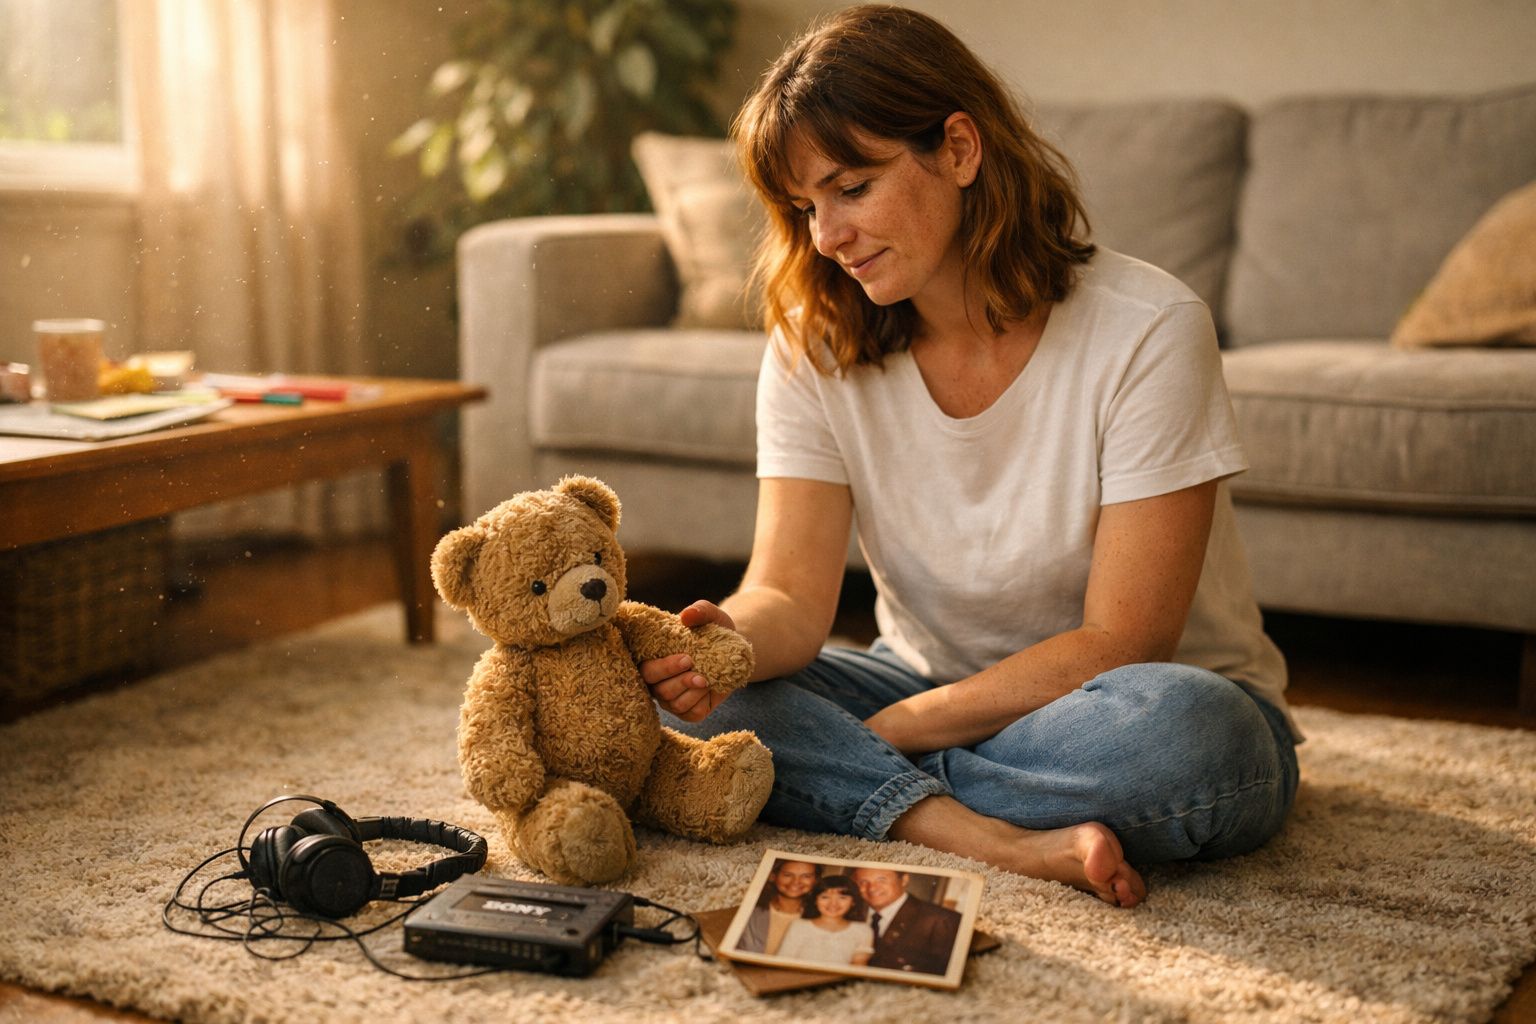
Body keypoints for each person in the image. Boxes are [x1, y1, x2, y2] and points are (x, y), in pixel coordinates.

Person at [640, 4, 1300, 909]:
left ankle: (856, 785)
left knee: (1193, 738)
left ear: (958, 148)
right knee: (668, 703)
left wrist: (888, 733)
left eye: (852, 187)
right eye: (805, 207)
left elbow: (1123, 641)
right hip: (924, 674)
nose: (826, 237)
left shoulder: (1149, 327)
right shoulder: (813, 339)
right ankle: (981, 835)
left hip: (1130, 702)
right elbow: (790, 597)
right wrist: (720, 649)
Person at [851, 868, 961, 975]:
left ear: (904, 880)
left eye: (881, 880)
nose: (872, 888)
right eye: (863, 882)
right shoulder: (848, 917)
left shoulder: (942, 921)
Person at [775, 875, 876, 966]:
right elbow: (783, 962)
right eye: (825, 897)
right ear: (815, 900)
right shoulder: (799, 926)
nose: (833, 904)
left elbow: (859, 966)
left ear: (853, 902)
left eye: (842, 897)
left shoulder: (862, 930)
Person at [735, 858, 821, 955]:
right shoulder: (749, 912)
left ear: (815, 880)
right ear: (773, 876)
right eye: (787, 875)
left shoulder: (821, 917)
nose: (796, 882)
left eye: (806, 876)